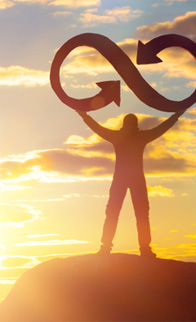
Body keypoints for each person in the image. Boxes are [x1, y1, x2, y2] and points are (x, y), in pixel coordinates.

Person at [77, 110, 184, 258]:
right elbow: (162, 128)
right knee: (140, 215)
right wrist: (176, 115)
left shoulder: (117, 136)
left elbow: (97, 128)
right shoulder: (140, 137)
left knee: (114, 213)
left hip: (121, 178)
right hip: (136, 178)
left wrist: (84, 115)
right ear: (136, 125)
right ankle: (144, 249)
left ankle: (106, 247)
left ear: (124, 125)